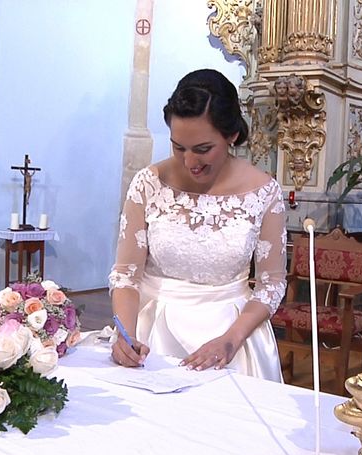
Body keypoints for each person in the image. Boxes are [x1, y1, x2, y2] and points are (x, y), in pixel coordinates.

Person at [109, 69, 287, 382]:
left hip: (233, 337)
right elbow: (126, 274)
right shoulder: (148, 184)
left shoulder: (264, 192)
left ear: (232, 135)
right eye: (179, 147)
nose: (190, 161)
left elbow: (271, 284)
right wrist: (125, 333)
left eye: (203, 149)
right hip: (152, 334)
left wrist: (230, 341)